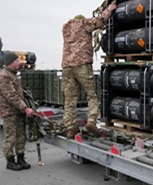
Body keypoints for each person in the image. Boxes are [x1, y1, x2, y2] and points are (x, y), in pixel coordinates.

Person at [61, 1, 117, 139]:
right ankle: (92, 121)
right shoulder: (83, 24)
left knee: (70, 98)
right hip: (82, 64)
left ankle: (70, 128)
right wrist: (109, 9)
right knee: (91, 94)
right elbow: (99, 21)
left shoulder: (66, 28)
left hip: (67, 67)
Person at [0, 52, 34, 171]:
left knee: (21, 136)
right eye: (17, 61)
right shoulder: (3, 76)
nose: (19, 63)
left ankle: (21, 158)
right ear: (10, 62)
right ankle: (10, 161)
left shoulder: (12, 75)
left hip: (18, 112)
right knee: (11, 137)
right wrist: (25, 108)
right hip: (10, 112)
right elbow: (11, 96)